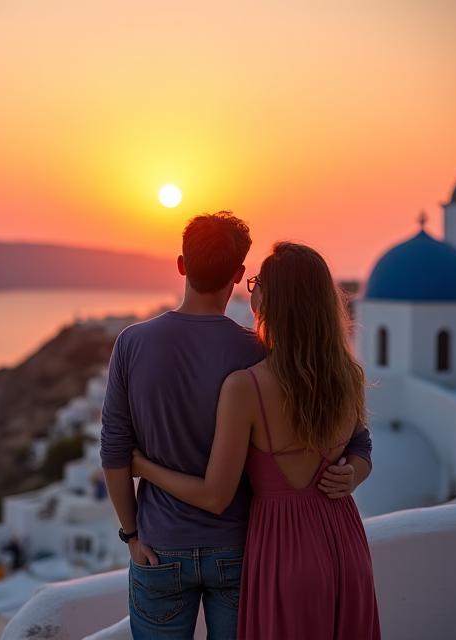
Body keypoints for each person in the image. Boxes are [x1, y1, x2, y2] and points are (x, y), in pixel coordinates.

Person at [100, 214, 373, 639]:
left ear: (180, 264)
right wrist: (352, 471)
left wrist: (132, 534)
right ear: (239, 274)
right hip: (241, 547)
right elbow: (351, 440)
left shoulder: (133, 344)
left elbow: (114, 453)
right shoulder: (258, 353)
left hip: (161, 544)